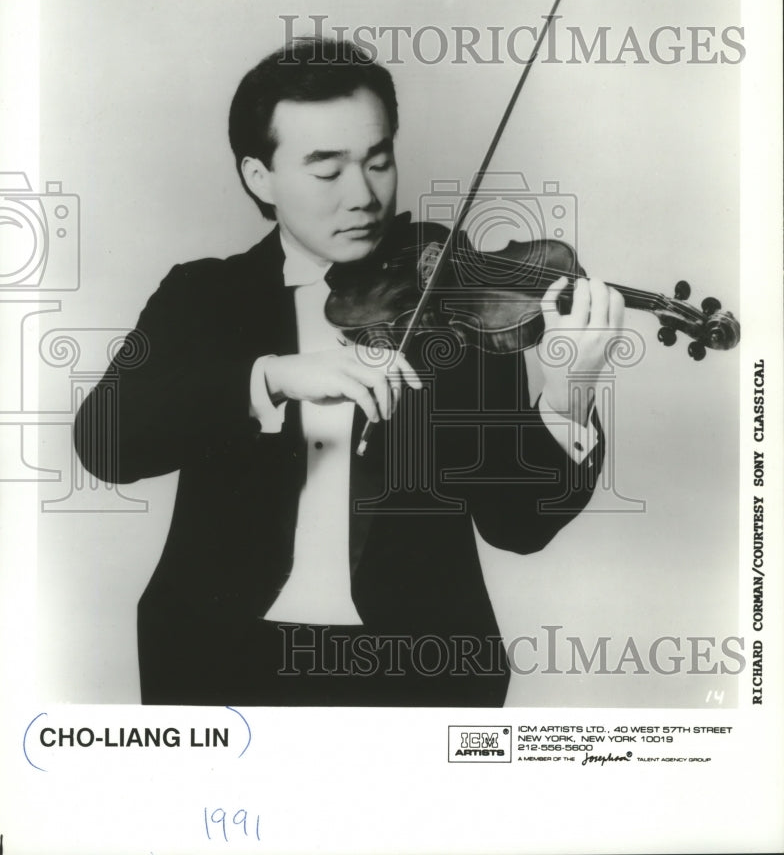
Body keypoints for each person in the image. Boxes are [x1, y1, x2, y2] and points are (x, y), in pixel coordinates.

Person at [75, 37, 624, 707]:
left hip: (417, 667)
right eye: (326, 170)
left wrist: (571, 395)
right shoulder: (202, 298)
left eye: (379, 161)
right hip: (222, 659)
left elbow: (518, 525)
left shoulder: (449, 297)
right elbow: (104, 440)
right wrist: (270, 377)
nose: (364, 196)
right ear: (259, 176)